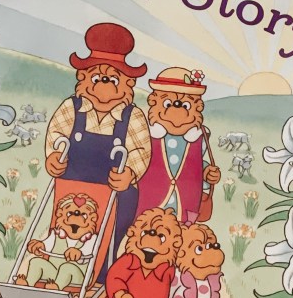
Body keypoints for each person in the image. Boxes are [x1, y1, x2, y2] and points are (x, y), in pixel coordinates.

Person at [44, 23, 151, 257]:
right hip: (72, 188)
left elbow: (140, 151)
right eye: (97, 77)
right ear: (82, 77)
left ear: (128, 83)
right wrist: (53, 156)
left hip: (117, 193)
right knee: (66, 235)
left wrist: (130, 173)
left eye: (113, 79)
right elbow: (56, 135)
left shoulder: (133, 117)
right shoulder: (71, 108)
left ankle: (105, 274)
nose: (104, 85)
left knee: (109, 244)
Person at [137, 66, 221, 223]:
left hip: (185, 205)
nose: (178, 111)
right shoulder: (147, 136)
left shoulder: (198, 139)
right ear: (154, 103)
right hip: (150, 204)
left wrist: (207, 173)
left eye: (186, 105)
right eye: (168, 104)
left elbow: (196, 166)